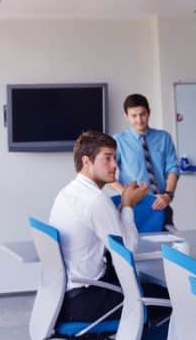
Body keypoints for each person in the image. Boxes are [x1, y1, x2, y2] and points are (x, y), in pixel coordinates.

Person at [50, 130, 168, 324]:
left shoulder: (68, 192)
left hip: (66, 297)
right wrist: (128, 205)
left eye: (115, 158)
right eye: (107, 158)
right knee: (168, 298)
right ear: (86, 161)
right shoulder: (95, 200)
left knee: (145, 287)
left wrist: (124, 204)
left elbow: (108, 230)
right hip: (87, 300)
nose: (115, 165)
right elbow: (127, 250)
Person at [111, 94, 180, 228]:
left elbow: (173, 169)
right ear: (126, 116)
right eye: (134, 116)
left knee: (170, 244)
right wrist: (127, 196)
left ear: (149, 113)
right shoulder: (118, 140)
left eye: (143, 114)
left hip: (160, 203)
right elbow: (108, 175)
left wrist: (168, 195)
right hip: (134, 207)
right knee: (134, 245)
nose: (139, 120)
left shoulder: (164, 138)